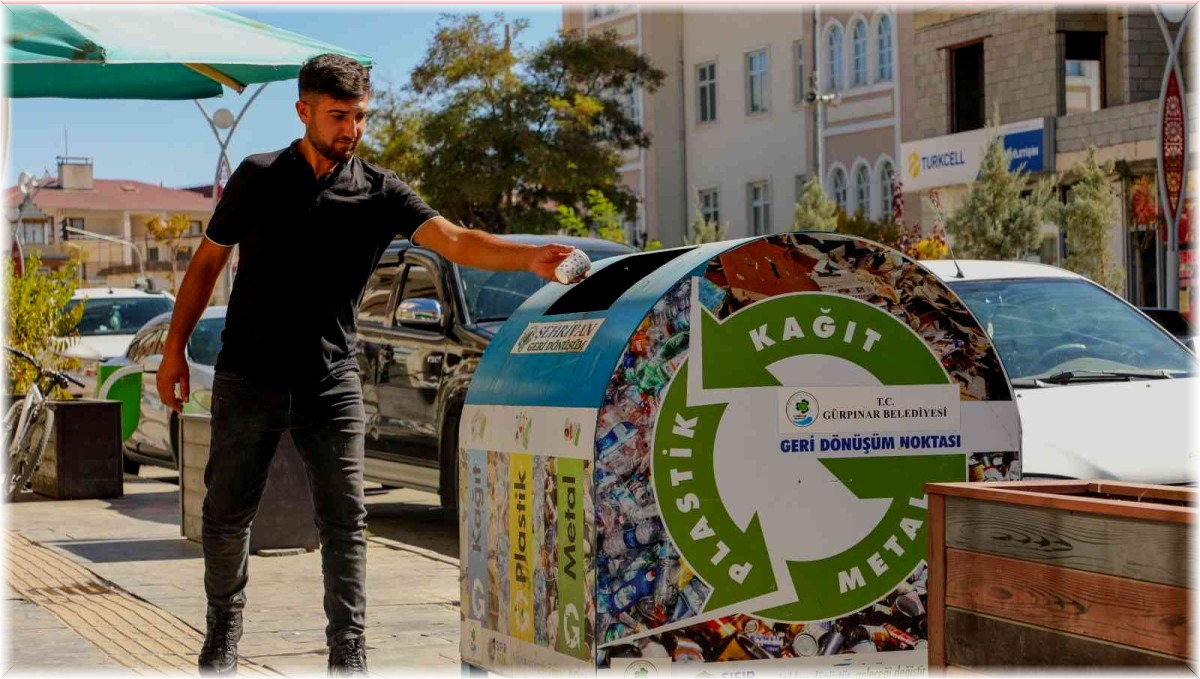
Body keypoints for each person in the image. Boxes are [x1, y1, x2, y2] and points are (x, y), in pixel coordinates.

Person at [156, 53, 581, 677]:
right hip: (250, 375)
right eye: (338, 116)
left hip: (332, 381)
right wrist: (174, 350)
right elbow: (205, 265)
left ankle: (347, 651)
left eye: (359, 116)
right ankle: (222, 634)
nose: (351, 129)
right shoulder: (256, 176)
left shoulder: (381, 193)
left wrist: (528, 258)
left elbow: (456, 240)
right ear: (304, 111)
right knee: (225, 515)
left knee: (347, 524)